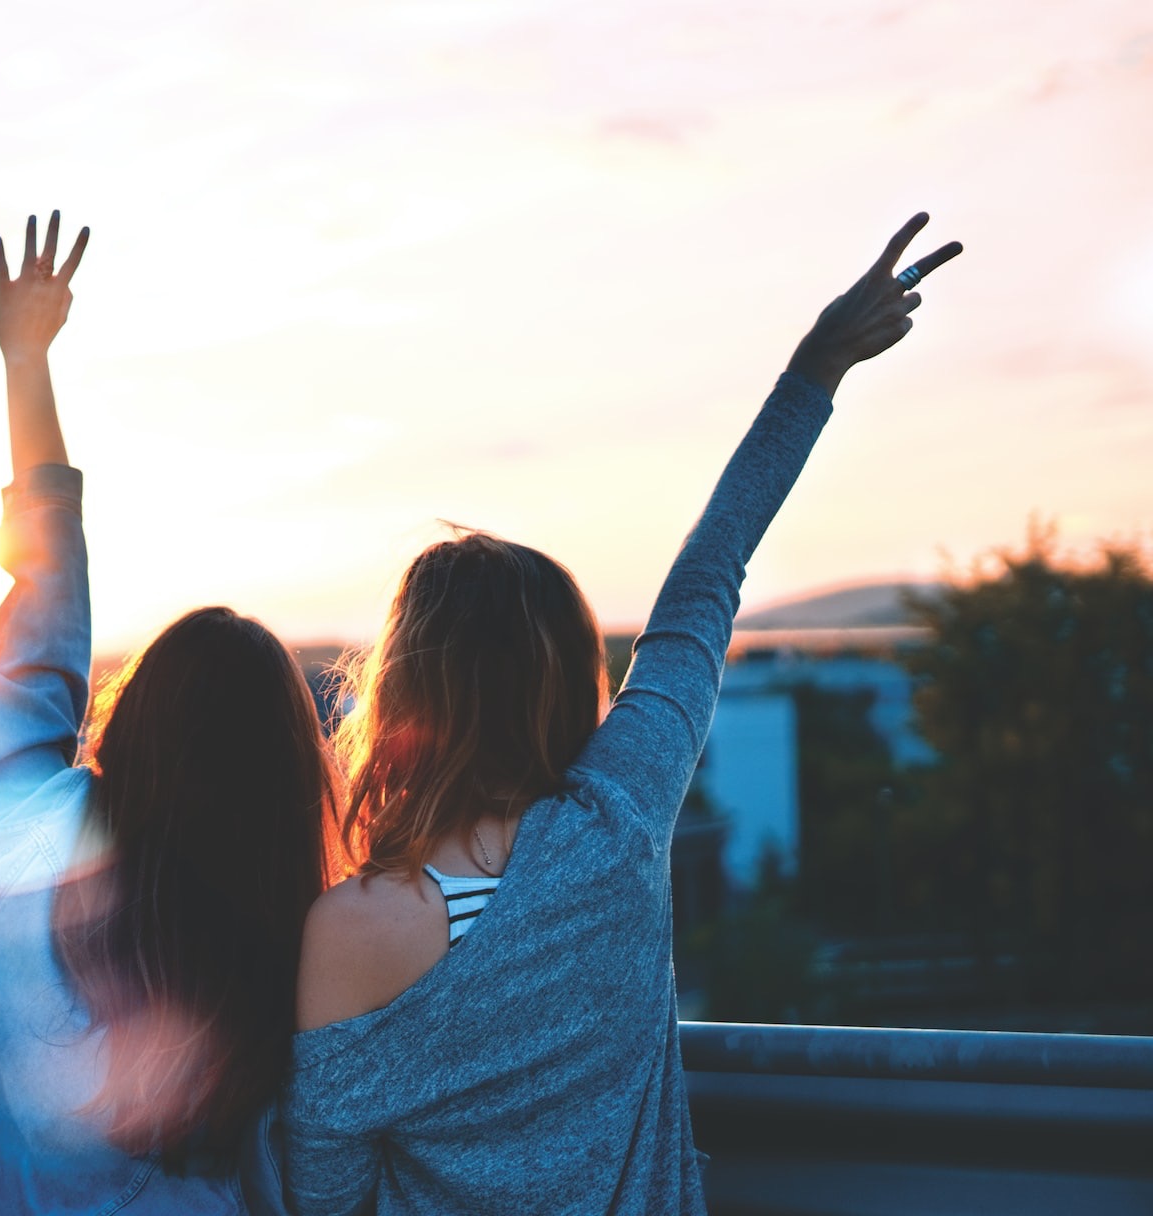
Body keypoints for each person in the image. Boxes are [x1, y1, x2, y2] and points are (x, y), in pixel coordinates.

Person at [282, 215, 964, 1215]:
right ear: (563, 681)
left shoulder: (349, 927)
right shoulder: (618, 821)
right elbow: (704, 587)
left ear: (405, 692)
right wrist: (816, 369)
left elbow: (322, 1197)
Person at [0, 213, 338, 1215]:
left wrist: (25, 361)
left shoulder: (27, 837)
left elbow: (45, 612)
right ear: (283, 779)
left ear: (135, 721)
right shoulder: (288, 947)